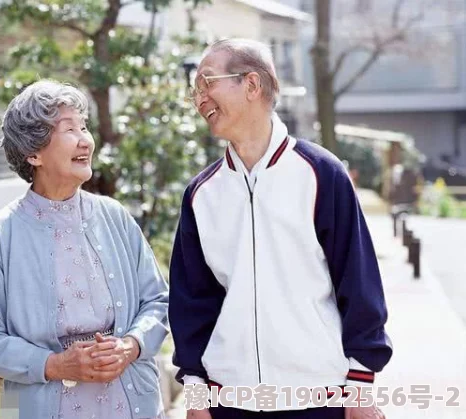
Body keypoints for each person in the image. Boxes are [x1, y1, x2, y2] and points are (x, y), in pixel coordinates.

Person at [168, 38, 392, 419]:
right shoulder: (201, 194)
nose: (199, 98)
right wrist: (195, 392)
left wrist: (360, 386)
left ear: (252, 85)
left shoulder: (322, 174)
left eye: (207, 83)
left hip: (318, 399)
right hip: (228, 401)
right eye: (195, 90)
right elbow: (191, 301)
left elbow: (358, 281)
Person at [0, 80, 168, 419]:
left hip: (134, 404)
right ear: (33, 152)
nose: (85, 139)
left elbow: (158, 301)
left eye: (84, 126)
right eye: (69, 129)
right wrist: (56, 365)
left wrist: (130, 346)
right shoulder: (0, 235)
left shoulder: (114, 216)